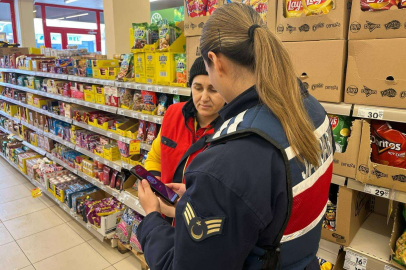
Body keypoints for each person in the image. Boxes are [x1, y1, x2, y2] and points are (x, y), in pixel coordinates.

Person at [136, 3, 334, 270]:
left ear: (215, 62)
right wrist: (202, 201)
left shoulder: (227, 163)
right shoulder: (311, 110)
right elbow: (269, 202)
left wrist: (151, 218)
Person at [144, 56, 224, 217]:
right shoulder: (173, 114)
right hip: (163, 215)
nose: (204, 97)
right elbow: (155, 157)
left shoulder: (231, 130)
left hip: (200, 222)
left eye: (213, 89)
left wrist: (180, 211)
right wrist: (154, 187)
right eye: (198, 88)